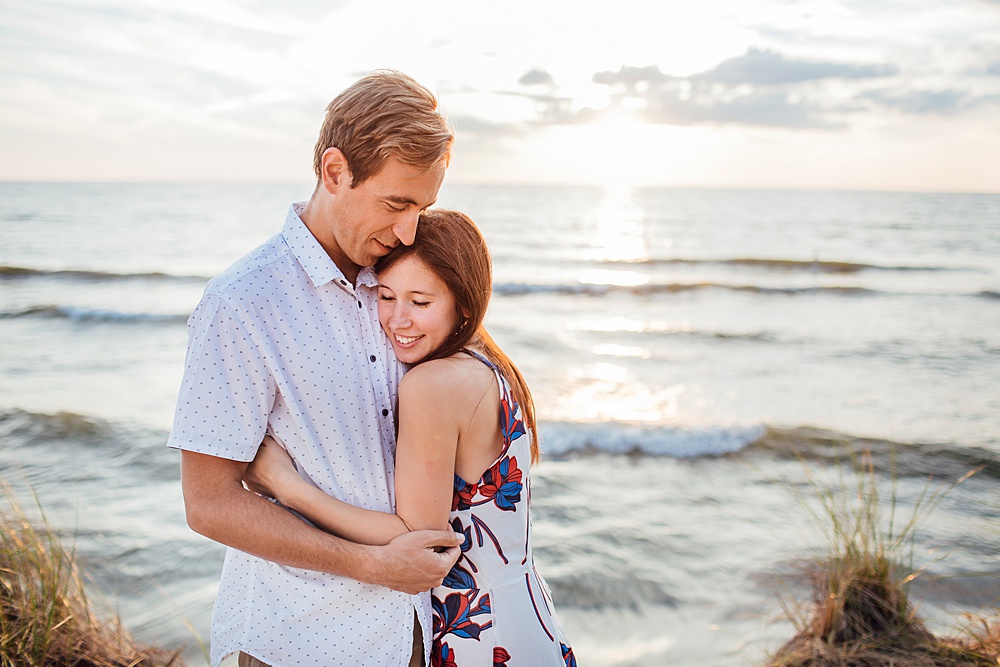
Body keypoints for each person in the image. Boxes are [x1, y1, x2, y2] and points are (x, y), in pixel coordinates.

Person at [167, 70, 463, 667]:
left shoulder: (403, 278)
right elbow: (209, 504)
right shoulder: (243, 302)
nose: (409, 230)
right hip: (298, 641)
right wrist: (371, 565)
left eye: (423, 207)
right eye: (396, 203)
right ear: (335, 172)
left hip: (417, 635)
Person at [245, 210, 577, 667]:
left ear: (464, 303)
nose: (398, 320)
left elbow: (419, 537)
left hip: (479, 634)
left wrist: (287, 486)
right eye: (385, 296)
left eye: (420, 303)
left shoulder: (432, 385)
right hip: (526, 615)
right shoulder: (489, 363)